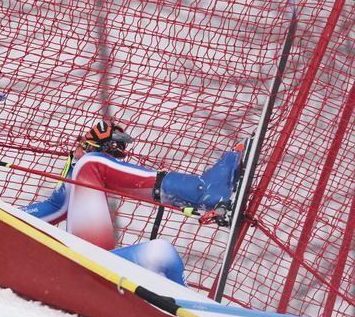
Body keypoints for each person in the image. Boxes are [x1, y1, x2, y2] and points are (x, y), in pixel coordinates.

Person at [22, 119, 242, 286]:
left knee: (162, 252)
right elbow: (57, 206)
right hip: (85, 266)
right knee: (90, 164)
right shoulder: (84, 166)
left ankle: (194, 311)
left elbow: (59, 205)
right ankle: (203, 191)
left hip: (100, 271)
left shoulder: (85, 168)